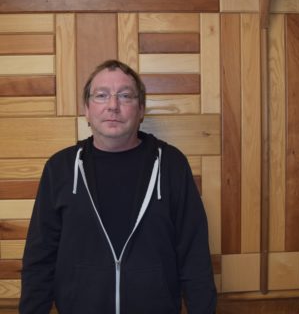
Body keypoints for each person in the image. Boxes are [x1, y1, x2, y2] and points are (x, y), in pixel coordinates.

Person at [19, 59, 217, 314]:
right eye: (101, 95)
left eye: (125, 95)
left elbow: (194, 255)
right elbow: (40, 257)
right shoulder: (61, 168)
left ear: (141, 109)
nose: (113, 105)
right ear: (87, 110)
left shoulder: (171, 165)